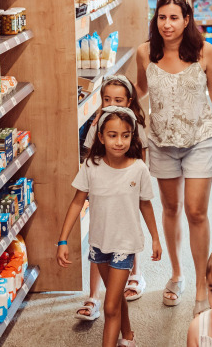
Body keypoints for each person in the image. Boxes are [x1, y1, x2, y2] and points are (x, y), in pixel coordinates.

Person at [136, 0, 212, 317]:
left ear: (187, 20)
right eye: (162, 17)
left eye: (174, 17)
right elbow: (139, 91)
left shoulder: (204, 52)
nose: (168, 24)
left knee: (195, 211)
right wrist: (112, 106)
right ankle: (177, 274)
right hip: (161, 141)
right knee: (170, 208)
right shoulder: (144, 53)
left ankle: (199, 286)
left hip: (200, 138)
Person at [57, 107, 162, 347]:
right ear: (101, 137)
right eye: (113, 135)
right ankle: (128, 335)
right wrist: (63, 240)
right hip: (99, 244)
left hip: (125, 245)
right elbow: (76, 203)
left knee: (110, 305)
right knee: (115, 297)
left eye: (125, 135)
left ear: (132, 137)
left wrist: (155, 238)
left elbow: (145, 206)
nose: (119, 141)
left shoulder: (138, 169)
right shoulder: (91, 166)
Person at [75, 75, 149, 321]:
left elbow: (142, 164)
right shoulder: (97, 126)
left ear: (129, 101)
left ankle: (134, 274)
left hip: (127, 191)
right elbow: (89, 156)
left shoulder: (134, 126)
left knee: (127, 230)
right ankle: (93, 296)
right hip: (102, 192)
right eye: (106, 99)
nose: (111, 104)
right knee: (99, 241)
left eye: (117, 100)